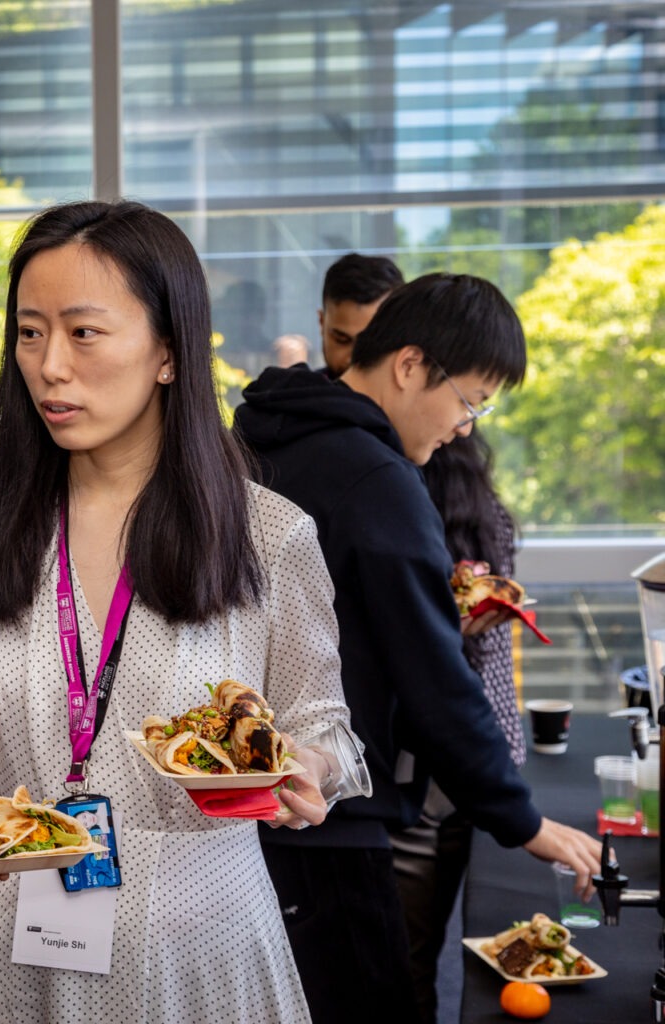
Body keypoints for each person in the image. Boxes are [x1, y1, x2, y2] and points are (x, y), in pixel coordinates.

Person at [0, 200, 353, 1023]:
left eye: (83, 333)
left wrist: (309, 767)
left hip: (202, 949)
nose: (50, 365)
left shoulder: (264, 531)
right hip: (15, 951)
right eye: (29, 332)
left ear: (167, 351)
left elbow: (326, 727)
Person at [232, 273, 603, 1024]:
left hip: (253, 795)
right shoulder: (377, 479)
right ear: (408, 365)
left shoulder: (266, 437)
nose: (466, 426)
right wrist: (522, 821)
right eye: (468, 399)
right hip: (329, 813)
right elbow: (435, 674)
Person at [391, 427, 525, 1022]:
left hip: (414, 753)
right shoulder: (486, 509)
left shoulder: (387, 497)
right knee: (470, 943)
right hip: (481, 743)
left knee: (411, 957)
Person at [317, 253, 404, 377]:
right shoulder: (300, 394)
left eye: (371, 344)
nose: (353, 360)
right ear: (321, 322)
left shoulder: (425, 394)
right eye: (342, 340)